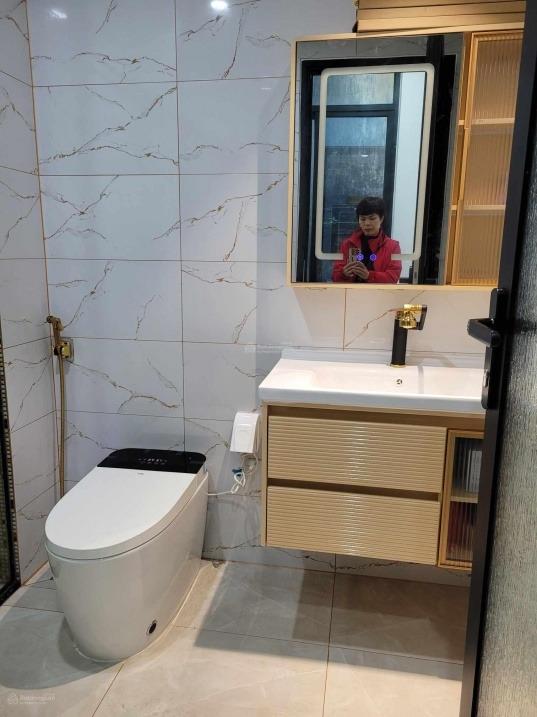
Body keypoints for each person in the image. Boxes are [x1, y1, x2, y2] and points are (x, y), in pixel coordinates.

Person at [331, 196, 402, 284]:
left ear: (381, 219)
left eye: (372, 218)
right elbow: (335, 277)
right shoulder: (348, 244)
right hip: (351, 292)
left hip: (379, 292)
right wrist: (343, 274)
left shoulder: (393, 246)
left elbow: (393, 278)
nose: (367, 223)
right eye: (363, 219)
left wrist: (369, 275)